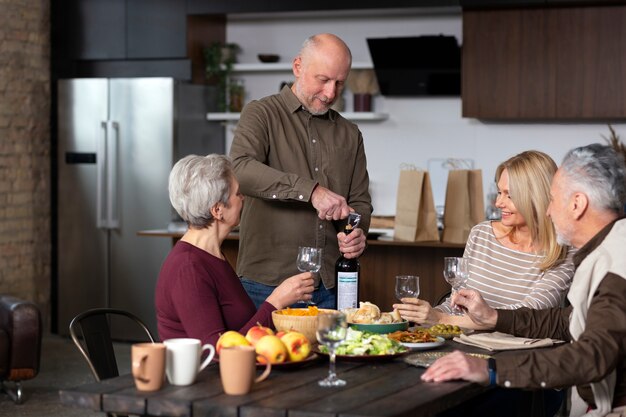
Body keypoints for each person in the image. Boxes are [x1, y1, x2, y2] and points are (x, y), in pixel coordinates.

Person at [421, 144, 626, 417]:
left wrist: (490, 370)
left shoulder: (615, 265)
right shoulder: (608, 249)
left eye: (552, 200)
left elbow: (593, 355)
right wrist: (494, 317)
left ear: (577, 204)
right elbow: (568, 321)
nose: (548, 211)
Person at [229, 33, 373, 309]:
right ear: (298, 67)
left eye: (339, 83)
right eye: (323, 80)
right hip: (267, 284)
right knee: (267, 354)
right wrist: (312, 192)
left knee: (335, 353)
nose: (331, 93)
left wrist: (358, 232)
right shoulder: (261, 114)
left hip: (331, 285)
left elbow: (360, 202)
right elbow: (240, 170)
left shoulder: (350, 134)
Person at [394, 150, 575, 328]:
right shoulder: (482, 234)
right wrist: (423, 316)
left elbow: (528, 316)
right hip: (465, 342)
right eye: (499, 192)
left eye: (509, 195)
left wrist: (441, 319)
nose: (498, 203)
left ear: (537, 198)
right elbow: (456, 306)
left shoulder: (564, 251)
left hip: (519, 353)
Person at [155, 154, 315, 347]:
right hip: (205, 376)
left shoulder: (213, 255)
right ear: (217, 210)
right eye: (238, 193)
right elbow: (214, 352)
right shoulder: (188, 267)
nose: (243, 198)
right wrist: (276, 302)